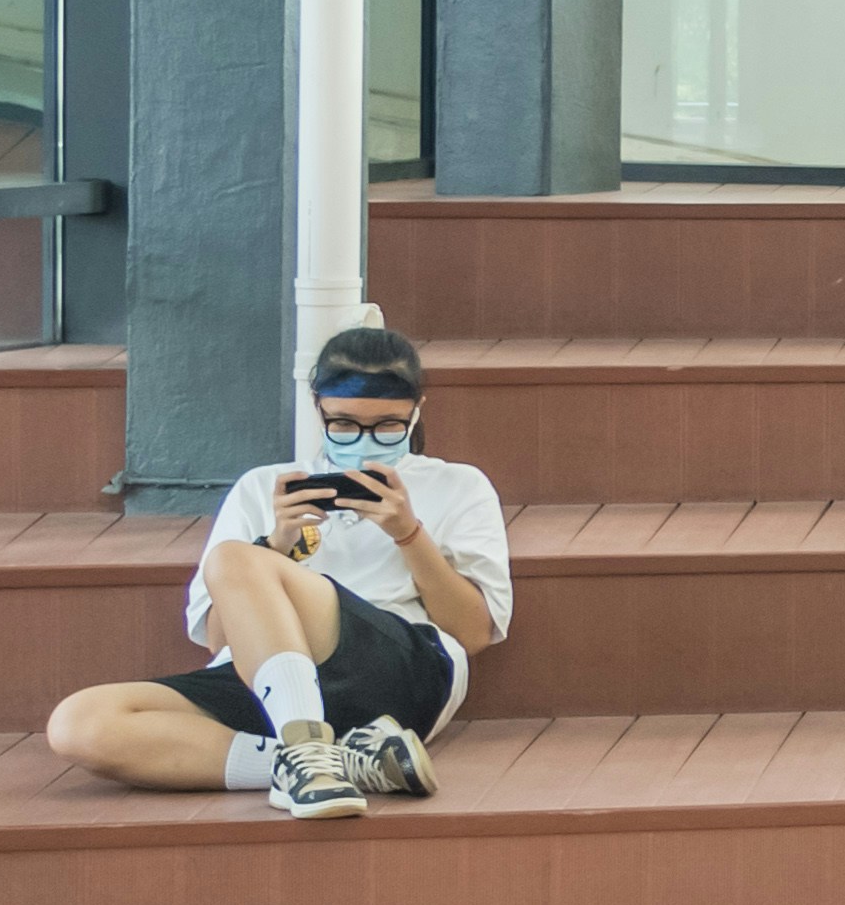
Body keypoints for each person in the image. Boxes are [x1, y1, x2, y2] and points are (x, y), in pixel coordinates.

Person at [39, 326, 509, 823]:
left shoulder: (458, 485)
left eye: (389, 427)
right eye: (344, 425)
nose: (366, 442)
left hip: (402, 670)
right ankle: (335, 761)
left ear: (417, 410)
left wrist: (408, 533)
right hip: (278, 685)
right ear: (317, 408)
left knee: (234, 558)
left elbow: (473, 632)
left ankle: (307, 750)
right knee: (79, 724)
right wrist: (278, 545)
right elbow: (220, 640)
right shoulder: (263, 487)